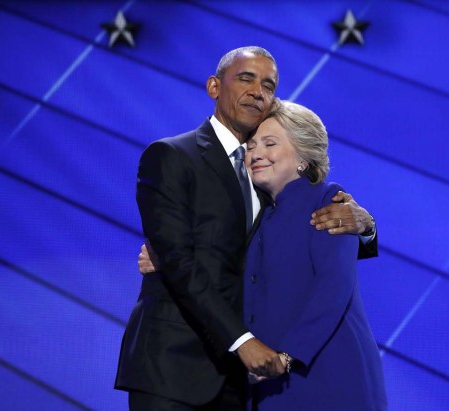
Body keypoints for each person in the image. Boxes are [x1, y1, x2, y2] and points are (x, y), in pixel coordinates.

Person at [115, 46, 377, 410]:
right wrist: (241, 340)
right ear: (213, 87)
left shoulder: (271, 183)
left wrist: (366, 225)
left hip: (249, 380)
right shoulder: (172, 156)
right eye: (246, 78)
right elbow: (177, 256)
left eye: (268, 85)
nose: (258, 90)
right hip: (175, 367)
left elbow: (309, 244)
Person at [243, 100, 387, 410]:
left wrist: (287, 354)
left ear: (303, 159)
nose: (255, 153)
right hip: (272, 385)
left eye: (270, 143)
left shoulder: (328, 201)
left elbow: (333, 288)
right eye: (251, 145)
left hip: (326, 377)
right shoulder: (257, 215)